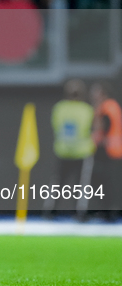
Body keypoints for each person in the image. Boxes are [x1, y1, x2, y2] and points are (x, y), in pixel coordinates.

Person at [44, 79, 95, 218]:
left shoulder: (59, 108)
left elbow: (56, 126)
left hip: (63, 150)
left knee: (58, 182)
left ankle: (50, 211)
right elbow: (89, 129)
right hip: (81, 152)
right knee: (80, 185)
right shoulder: (86, 109)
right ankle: (79, 213)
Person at [90, 82, 122, 221]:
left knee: (105, 183)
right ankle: (107, 211)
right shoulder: (111, 106)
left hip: (109, 152)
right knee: (104, 183)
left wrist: (95, 137)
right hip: (111, 151)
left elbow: (103, 128)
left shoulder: (106, 107)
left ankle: (108, 212)